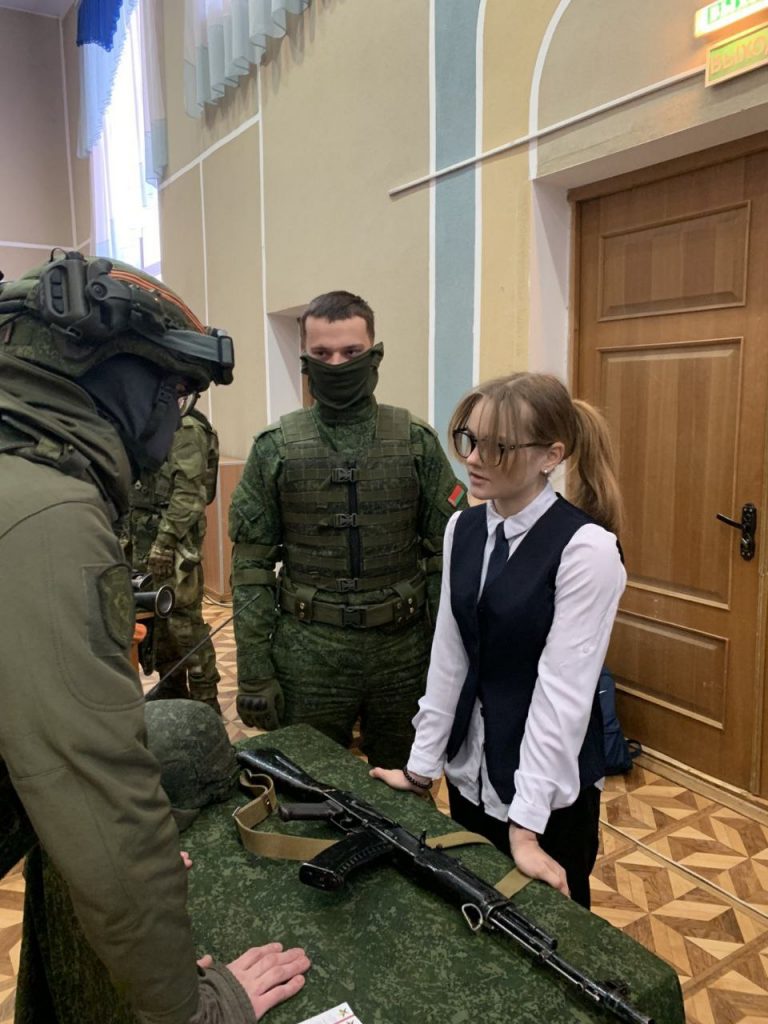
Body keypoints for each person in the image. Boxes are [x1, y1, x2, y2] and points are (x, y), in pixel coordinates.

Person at [0, 251, 310, 1023]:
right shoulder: (47, 516)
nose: (177, 416)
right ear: (106, 369)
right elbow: (98, 782)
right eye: (173, 388)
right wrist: (193, 1008)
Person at [371, 372, 626, 910]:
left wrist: (526, 825)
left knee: (551, 936)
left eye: (498, 447)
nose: (473, 459)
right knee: (472, 913)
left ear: (550, 456)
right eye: (469, 439)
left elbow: (563, 698)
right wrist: (421, 768)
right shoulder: (462, 529)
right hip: (471, 775)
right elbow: (449, 657)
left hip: (546, 797)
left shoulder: (587, 550)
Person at [229, 290, 467, 767]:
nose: (336, 364)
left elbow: (448, 558)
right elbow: (251, 569)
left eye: (351, 352)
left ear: (374, 353)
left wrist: (449, 664)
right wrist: (255, 671)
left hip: (404, 654)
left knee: (406, 786)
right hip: (308, 654)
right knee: (306, 784)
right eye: (322, 353)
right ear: (305, 358)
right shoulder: (275, 449)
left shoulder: (416, 443)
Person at [127, 400, 222, 710]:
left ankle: (206, 700)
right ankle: (173, 689)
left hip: (173, 542)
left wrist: (165, 542)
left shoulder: (186, 427)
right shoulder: (150, 420)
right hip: (143, 537)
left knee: (184, 624)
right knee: (158, 622)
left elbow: (190, 494)